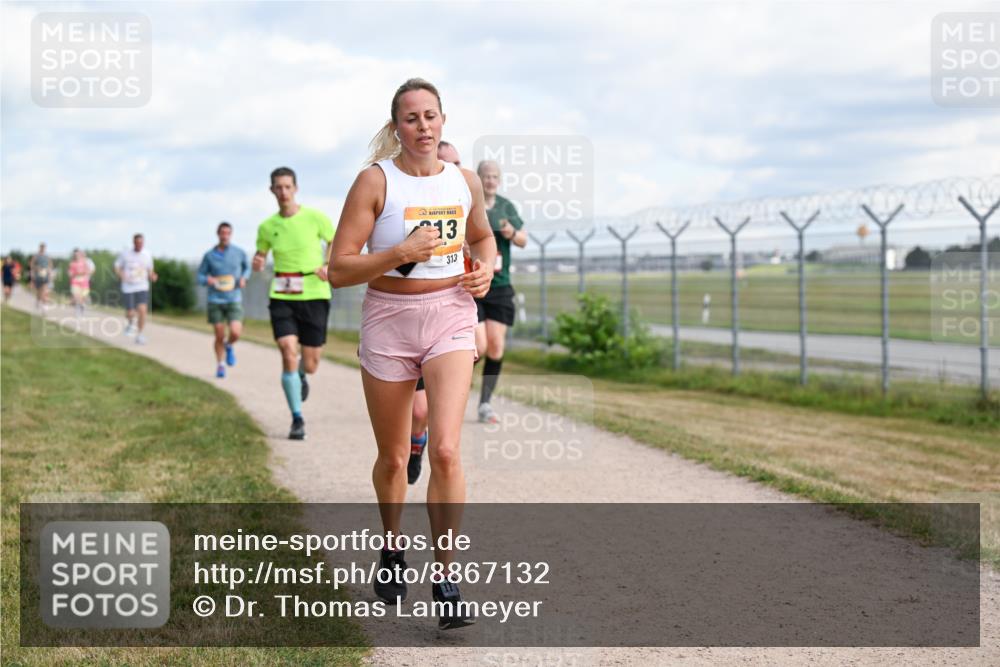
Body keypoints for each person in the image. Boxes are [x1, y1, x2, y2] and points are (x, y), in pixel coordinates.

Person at [329, 78, 495, 630]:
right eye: (410, 118)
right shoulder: (375, 182)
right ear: (395, 126)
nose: (422, 127)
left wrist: (485, 271)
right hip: (389, 320)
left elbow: (483, 239)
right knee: (396, 457)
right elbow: (340, 268)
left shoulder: (462, 180)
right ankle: (393, 546)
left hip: (450, 314)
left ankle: (447, 577)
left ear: (444, 120)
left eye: (431, 116)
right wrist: (399, 252)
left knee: (446, 451)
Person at [253, 167, 335, 440]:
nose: (283, 192)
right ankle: (297, 419)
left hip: (314, 292)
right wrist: (258, 261)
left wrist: (327, 263)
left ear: (295, 188)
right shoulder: (267, 226)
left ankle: (301, 373)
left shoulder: (315, 218)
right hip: (282, 293)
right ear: (272, 190)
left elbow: (334, 241)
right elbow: (260, 253)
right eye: (278, 187)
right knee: (288, 350)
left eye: (288, 187)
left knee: (311, 364)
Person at [407, 139, 462, 485]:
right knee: (413, 415)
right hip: (404, 320)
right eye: (448, 163)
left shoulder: (464, 200)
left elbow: (484, 241)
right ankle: (413, 447)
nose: (454, 169)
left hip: (450, 320)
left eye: (458, 163)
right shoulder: (402, 197)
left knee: (432, 422)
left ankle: (422, 445)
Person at [473, 160, 527, 424]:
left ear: (500, 180)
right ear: (478, 178)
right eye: (486, 176)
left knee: (495, 347)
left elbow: (523, 240)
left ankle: (484, 403)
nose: (491, 181)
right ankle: (449, 390)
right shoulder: (471, 204)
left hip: (501, 285)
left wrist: (511, 232)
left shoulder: (506, 207)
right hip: (475, 285)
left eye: (495, 176)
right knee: (478, 347)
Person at [197, 222, 251, 378]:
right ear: (218, 234)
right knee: (219, 335)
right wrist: (207, 279)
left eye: (228, 233)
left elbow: (247, 269)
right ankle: (220, 364)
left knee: (235, 332)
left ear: (231, 234)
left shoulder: (239, 252)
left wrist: (244, 278)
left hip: (234, 298)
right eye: (222, 233)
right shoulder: (209, 255)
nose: (225, 235)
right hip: (215, 299)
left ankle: (229, 345)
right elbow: (200, 275)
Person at [114, 234, 157, 345]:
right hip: (128, 287)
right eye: (137, 243)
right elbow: (117, 266)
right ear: (133, 243)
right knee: (130, 313)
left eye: (141, 243)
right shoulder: (125, 254)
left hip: (142, 286)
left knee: (142, 310)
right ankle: (130, 323)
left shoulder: (147, 255)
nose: (139, 245)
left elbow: (150, 270)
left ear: (143, 243)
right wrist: (121, 275)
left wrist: (152, 276)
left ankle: (140, 335)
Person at [68, 249, 96, 316]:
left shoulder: (86, 262)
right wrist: (75, 274)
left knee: (83, 295)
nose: (78, 256)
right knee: (77, 296)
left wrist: (85, 273)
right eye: (76, 255)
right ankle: (78, 308)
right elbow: (70, 273)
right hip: (75, 282)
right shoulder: (72, 263)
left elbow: (90, 270)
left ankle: (82, 305)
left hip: (84, 281)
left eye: (79, 254)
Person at [29, 243, 52, 310]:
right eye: (41, 247)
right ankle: (38, 302)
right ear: (39, 248)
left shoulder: (47, 256)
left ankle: (44, 305)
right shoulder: (36, 256)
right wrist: (36, 268)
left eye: (44, 248)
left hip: (45, 276)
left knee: (44, 290)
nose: (42, 249)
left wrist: (49, 272)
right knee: (39, 292)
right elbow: (31, 265)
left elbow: (50, 265)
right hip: (37, 276)